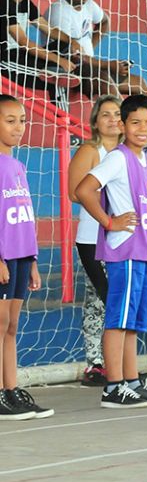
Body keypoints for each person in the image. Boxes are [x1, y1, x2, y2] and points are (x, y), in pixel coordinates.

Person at [75, 94, 147, 409]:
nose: (143, 128)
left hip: (146, 249)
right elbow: (83, 189)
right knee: (118, 319)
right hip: (126, 250)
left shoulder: (145, 158)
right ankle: (113, 386)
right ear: (123, 125)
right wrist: (108, 221)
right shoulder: (117, 158)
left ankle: (131, 381)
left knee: (134, 320)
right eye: (135, 122)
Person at [0, 95, 50, 420]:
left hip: (20, 257)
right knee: (0, 323)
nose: (19, 127)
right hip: (3, 259)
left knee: (11, 326)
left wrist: (31, 259)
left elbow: (25, 215)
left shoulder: (17, 165)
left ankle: (10, 390)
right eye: (10, 120)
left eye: (22, 120)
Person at [68, 94, 122, 386]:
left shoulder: (130, 151)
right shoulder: (90, 150)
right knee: (108, 296)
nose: (113, 119)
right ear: (96, 122)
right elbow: (75, 192)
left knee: (98, 299)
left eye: (117, 113)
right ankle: (102, 364)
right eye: (106, 114)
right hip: (93, 236)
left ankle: (99, 362)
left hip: (124, 236)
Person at [45, 0, 147, 99]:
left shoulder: (89, 5)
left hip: (89, 65)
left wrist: (90, 46)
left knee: (139, 83)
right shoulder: (59, 11)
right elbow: (73, 57)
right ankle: (123, 117)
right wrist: (110, 65)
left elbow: (105, 21)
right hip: (69, 69)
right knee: (105, 80)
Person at [0, 0, 79, 107]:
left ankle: (69, 71)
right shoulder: (3, 3)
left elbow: (50, 31)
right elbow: (23, 41)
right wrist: (58, 60)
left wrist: (72, 41)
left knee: (62, 47)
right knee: (55, 77)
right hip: (5, 62)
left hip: (21, 56)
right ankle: (65, 125)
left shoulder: (27, 4)